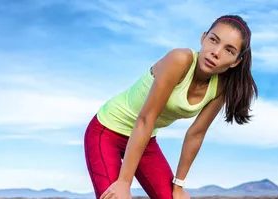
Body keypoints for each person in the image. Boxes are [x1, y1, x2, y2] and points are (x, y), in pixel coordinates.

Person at [83, 14, 257, 199]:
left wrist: (179, 185)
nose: (216, 52)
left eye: (229, 50)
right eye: (213, 40)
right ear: (203, 37)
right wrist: (124, 182)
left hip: (145, 140)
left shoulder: (221, 88)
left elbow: (196, 133)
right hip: (107, 131)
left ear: (236, 61)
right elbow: (145, 118)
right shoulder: (179, 59)